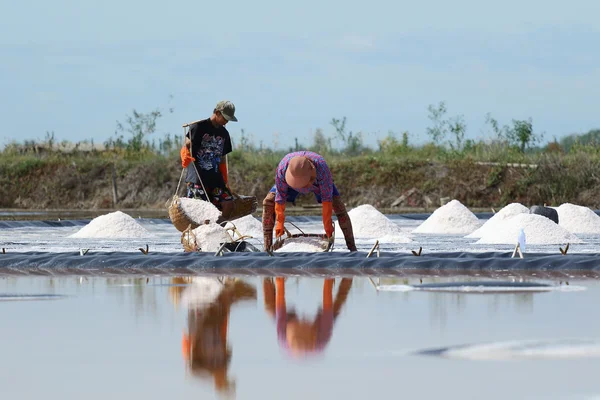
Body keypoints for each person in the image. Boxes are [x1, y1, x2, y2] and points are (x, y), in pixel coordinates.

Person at [262, 151, 357, 252]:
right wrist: (279, 222)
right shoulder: (282, 168)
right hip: (290, 186)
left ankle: (352, 248)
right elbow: (280, 198)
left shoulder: (322, 169)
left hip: (317, 184)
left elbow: (327, 201)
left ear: (312, 173)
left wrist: (327, 225)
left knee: (339, 206)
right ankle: (267, 248)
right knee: (268, 202)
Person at [178, 277, 257, 396]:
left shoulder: (201, 367)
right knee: (249, 293)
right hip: (213, 311)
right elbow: (223, 337)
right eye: (226, 380)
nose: (225, 376)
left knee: (216, 287)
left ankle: (220, 283)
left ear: (217, 384)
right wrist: (226, 307)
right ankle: (225, 283)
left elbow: (191, 370)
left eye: (224, 382)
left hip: (198, 305)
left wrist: (211, 374)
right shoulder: (224, 363)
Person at [262, 276, 353, 357]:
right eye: (303, 322)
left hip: (293, 328)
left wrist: (279, 275)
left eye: (301, 322)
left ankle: (265, 275)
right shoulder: (322, 337)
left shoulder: (282, 337)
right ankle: (349, 275)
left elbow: (279, 285)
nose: (303, 318)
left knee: (269, 307)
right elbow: (328, 285)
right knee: (339, 302)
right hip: (316, 329)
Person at [180, 100, 238, 225]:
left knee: (229, 204)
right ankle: (202, 235)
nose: (226, 122)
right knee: (203, 212)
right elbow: (187, 145)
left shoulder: (224, 133)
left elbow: (222, 158)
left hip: (216, 178)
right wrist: (185, 155)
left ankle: (216, 229)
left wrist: (225, 179)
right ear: (217, 112)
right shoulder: (199, 127)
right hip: (198, 178)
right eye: (225, 118)